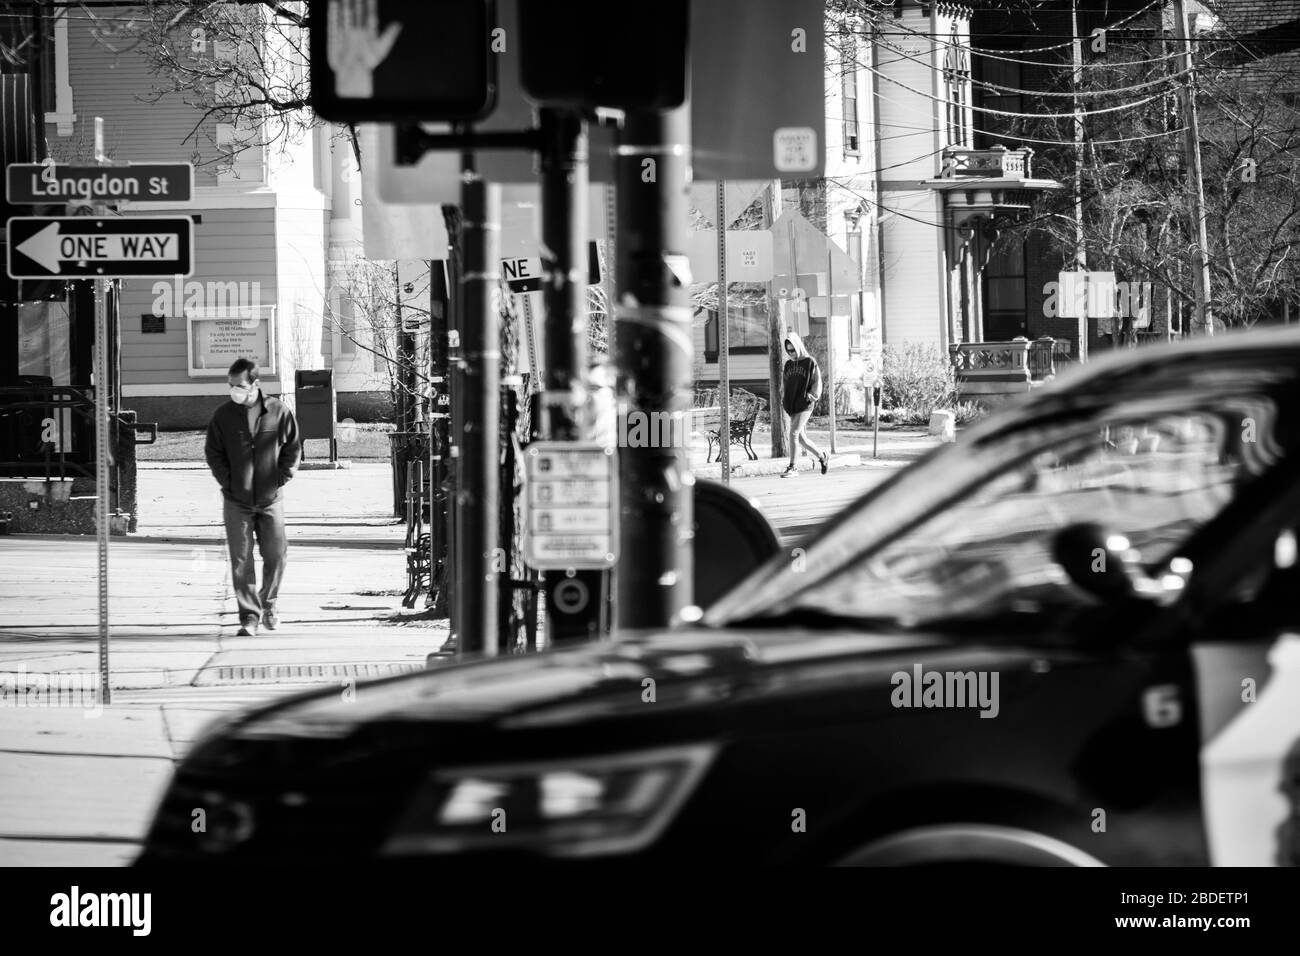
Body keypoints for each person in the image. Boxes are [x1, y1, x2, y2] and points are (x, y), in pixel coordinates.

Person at [204, 357, 301, 636]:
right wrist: (229, 482)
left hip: (271, 499)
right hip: (237, 500)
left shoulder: (279, 411)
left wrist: (281, 477)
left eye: (240, 385)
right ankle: (249, 616)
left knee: (276, 555)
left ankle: (268, 604)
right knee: (240, 560)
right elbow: (214, 453)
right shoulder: (223, 416)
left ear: (256, 384)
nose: (235, 390)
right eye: (231, 385)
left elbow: (293, 448)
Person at [780, 331, 828, 477]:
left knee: (793, 433)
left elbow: (816, 381)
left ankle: (793, 467)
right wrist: (784, 399)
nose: (791, 353)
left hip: (805, 404)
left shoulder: (809, 362)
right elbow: (784, 384)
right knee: (801, 439)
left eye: (793, 349)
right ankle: (822, 457)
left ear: (798, 346)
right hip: (792, 404)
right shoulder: (788, 365)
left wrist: (813, 395)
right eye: (788, 350)